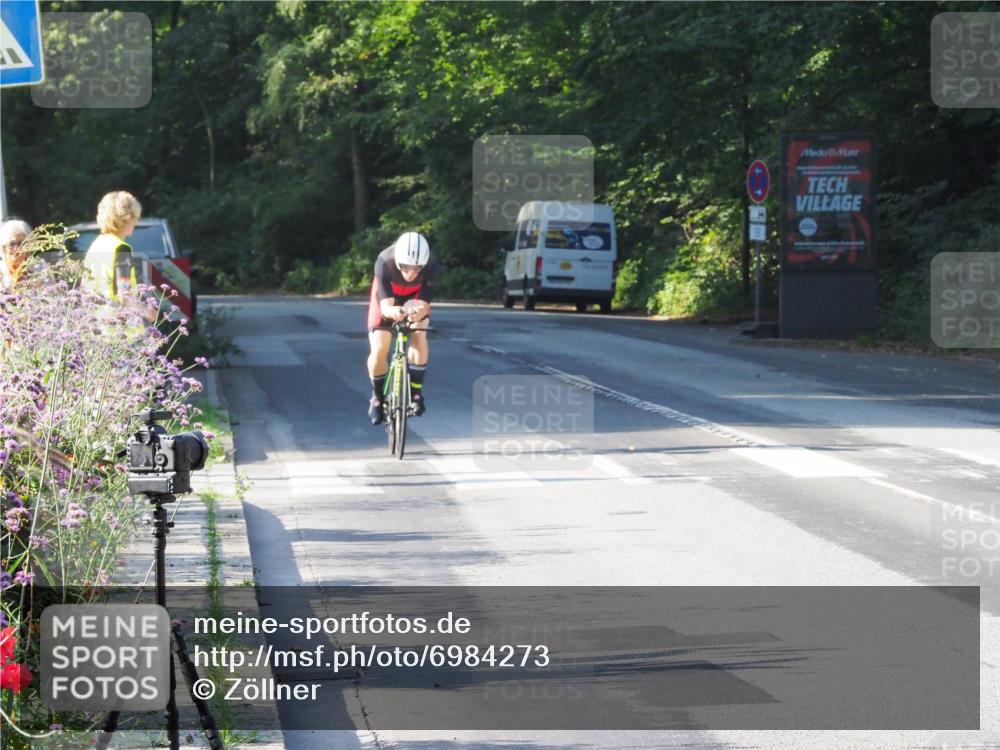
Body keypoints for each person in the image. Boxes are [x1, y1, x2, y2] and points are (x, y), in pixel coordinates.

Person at [366, 231, 438, 425]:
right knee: (380, 346)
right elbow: (385, 307)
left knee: (419, 334)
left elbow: (424, 302)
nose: (411, 272)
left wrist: (416, 313)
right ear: (398, 261)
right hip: (387, 297)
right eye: (405, 267)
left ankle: (416, 393)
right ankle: (377, 397)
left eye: (417, 268)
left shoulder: (431, 264)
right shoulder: (384, 262)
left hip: (414, 297)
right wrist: (394, 312)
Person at [83, 191, 142, 300]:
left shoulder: (96, 245)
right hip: (116, 315)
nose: (136, 221)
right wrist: (149, 312)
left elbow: (84, 286)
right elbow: (124, 296)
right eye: (136, 217)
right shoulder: (121, 248)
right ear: (128, 218)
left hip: (94, 314)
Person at [0, 219, 33, 290]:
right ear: (3, 248)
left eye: (21, 243)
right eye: (11, 244)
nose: (17, 249)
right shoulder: (1, 272)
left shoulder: (40, 270)